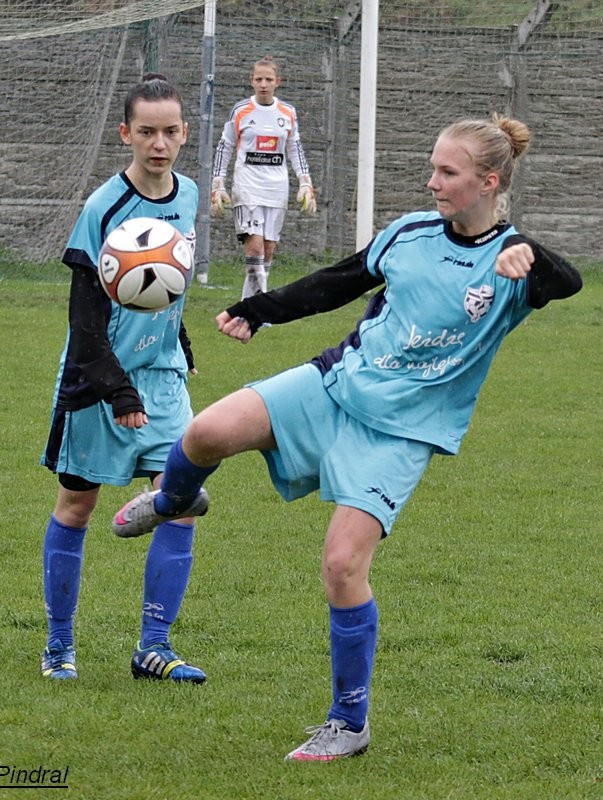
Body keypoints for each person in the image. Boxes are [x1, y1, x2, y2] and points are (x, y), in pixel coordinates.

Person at [111, 113, 582, 759]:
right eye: (433, 168)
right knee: (205, 432)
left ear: (488, 182)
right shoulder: (410, 233)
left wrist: (531, 255)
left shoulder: (513, 264)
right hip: (337, 384)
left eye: (447, 172)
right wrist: (257, 310)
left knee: (341, 565)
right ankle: (173, 499)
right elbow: (338, 282)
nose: (432, 182)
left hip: (402, 432)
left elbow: (568, 282)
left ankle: (348, 723)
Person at [39, 74, 208, 685]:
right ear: (125, 134)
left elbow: (165, 284)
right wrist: (117, 389)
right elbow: (84, 320)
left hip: (162, 378)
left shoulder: (189, 195)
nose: (159, 144)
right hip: (96, 379)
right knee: (77, 505)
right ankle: (59, 646)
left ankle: (154, 647)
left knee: (181, 503)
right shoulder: (102, 208)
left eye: (170, 132)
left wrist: (179, 341)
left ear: (184, 133)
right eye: (146, 132)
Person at [207, 54, 317, 297]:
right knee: (254, 249)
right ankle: (261, 306)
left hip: (276, 188)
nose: (263, 84)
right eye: (259, 79)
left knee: (268, 250)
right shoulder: (241, 110)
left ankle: (249, 306)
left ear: (278, 81)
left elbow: (295, 148)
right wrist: (218, 184)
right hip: (247, 187)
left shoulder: (287, 112)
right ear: (251, 81)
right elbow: (225, 146)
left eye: (268, 79)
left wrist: (305, 182)